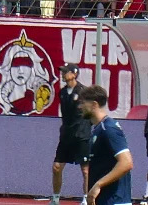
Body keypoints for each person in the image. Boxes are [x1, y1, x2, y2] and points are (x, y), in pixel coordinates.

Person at [80, 85, 133, 205]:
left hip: (114, 201)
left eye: (83, 103)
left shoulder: (108, 128)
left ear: (94, 104)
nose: (80, 107)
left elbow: (126, 163)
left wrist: (98, 185)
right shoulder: (98, 129)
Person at [52, 65, 90, 204]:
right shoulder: (62, 92)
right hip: (66, 136)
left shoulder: (83, 92)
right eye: (62, 71)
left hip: (81, 135)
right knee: (56, 167)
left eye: (65, 72)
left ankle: (86, 198)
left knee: (85, 170)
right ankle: (55, 198)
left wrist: (84, 129)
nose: (62, 74)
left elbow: (86, 114)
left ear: (74, 74)